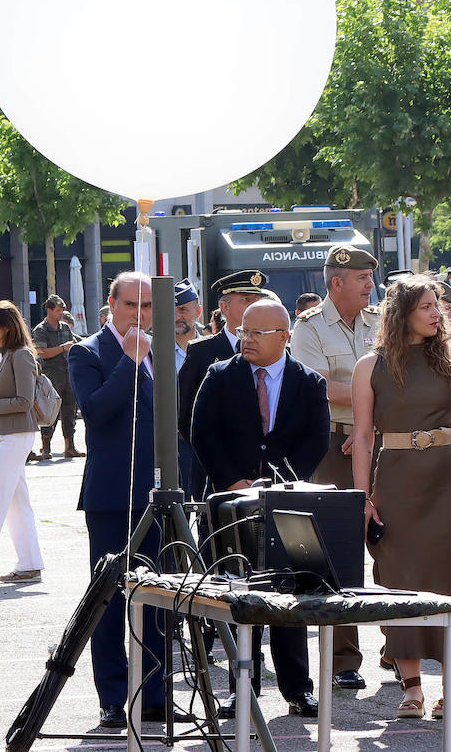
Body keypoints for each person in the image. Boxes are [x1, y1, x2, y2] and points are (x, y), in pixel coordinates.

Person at [352, 275, 451, 719]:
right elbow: (361, 438)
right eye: (427, 306)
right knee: (398, 581)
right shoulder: (368, 367)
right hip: (395, 481)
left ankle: (450, 689)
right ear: (402, 315)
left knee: (450, 581)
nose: (438, 313)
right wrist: (362, 499)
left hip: (449, 481)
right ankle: (411, 688)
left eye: (438, 305)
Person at [191, 299, 329, 719]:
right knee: (236, 599)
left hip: (287, 505)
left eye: (256, 333)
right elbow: (202, 433)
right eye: (243, 332)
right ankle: (241, 687)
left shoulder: (309, 382)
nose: (245, 339)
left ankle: (297, 688)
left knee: (291, 598)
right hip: (231, 507)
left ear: (284, 336)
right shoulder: (220, 376)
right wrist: (234, 481)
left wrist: (283, 484)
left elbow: (316, 440)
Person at [67, 271, 166, 730]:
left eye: (147, 307)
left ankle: (154, 692)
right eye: (131, 306)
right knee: (107, 599)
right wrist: (129, 361)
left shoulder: (161, 351)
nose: (139, 316)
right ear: (111, 304)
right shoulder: (88, 352)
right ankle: (112, 694)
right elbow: (97, 412)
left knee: (160, 599)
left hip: (158, 496)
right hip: (111, 496)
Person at [289, 244, 380, 689]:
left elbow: (399, 379)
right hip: (332, 445)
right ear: (336, 283)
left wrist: (369, 422)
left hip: (380, 441)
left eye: (370, 277)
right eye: (362, 278)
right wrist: (369, 402)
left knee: (391, 545)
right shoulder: (307, 328)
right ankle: (344, 658)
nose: (370, 285)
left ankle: (399, 650)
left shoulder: (380, 321)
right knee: (337, 551)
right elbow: (318, 387)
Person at [178, 271, 268, 500]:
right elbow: (187, 417)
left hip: (266, 471)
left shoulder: (276, 349)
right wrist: (222, 466)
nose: (253, 305)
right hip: (216, 473)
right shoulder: (201, 352)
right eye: (245, 300)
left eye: (257, 299)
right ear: (225, 308)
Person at [0, 301, 46, 584]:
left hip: (18, 433)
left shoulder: (20, 356)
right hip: (5, 433)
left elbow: (25, 401)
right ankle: (30, 562)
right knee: (17, 502)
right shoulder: (1, 355)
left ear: (6, 327)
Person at [31, 294, 80, 461]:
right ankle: (46, 447)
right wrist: (62, 348)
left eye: (62, 310)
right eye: (58, 310)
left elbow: (74, 344)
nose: (61, 313)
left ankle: (70, 447)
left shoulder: (65, 328)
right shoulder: (41, 330)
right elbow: (42, 353)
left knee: (69, 411)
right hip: (51, 377)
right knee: (50, 412)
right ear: (49, 310)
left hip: (67, 375)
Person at [171, 281, 205, 497]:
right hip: (168, 448)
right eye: (170, 311)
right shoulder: (150, 353)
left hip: (204, 445)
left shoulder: (210, 351)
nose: (176, 316)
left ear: (198, 311)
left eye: (183, 309)